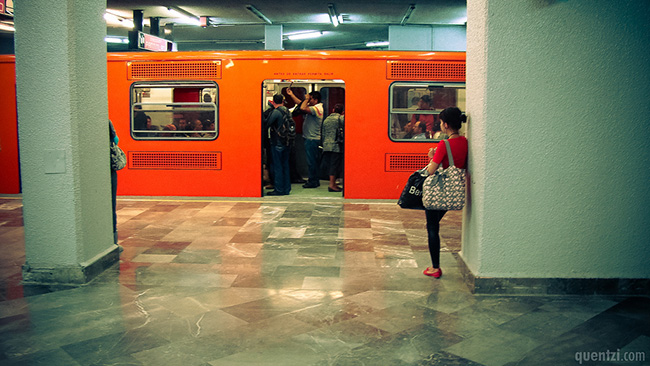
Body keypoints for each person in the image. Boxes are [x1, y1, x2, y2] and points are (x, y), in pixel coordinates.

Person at [423, 107, 468, 278]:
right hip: (455, 191)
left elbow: (431, 170)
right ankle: (435, 266)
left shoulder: (444, 144)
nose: (440, 125)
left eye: (441, 122)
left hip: (441, 191)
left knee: (432, 227)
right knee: (432, 224)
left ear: (446, 125)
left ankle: (435, 268)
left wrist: (431, 157)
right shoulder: (464, 141)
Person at [286, 88, 323, 188]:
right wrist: (292, 95)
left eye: (310, 99)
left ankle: (313, 181)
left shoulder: (317, 108)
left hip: (312, 139)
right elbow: (300, 104)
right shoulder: (314, 107)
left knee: (312, 162)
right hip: (310, 138)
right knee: (312, 161)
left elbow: (302, 108)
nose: (308, 101)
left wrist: (306, 99)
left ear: (315, 100)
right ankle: (314, 180)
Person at [265, 94, 292, 196]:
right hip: (287, 142)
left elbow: (266, 123)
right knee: (285, 165)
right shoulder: (287, 110)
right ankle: (286, 189)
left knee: (277, 166)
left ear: (273, 101)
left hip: (277, 142)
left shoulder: (276, 112)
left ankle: (279, 190)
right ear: (283, 101)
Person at [321, 104, 344, 192]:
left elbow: (323, 132)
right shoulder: (341, 119)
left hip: (326, 145)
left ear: (333, 110)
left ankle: (333, 183)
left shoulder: (327, 119)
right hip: (336, 145)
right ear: (342, 112)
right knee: (334, 165)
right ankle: (332, 185)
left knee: (331, 164)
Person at [108, 120, 122, 252]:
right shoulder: (106, 121)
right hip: (109, 169)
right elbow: (115, 140)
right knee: (111, 205)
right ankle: (113, 240)